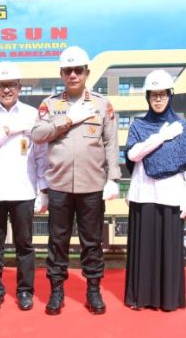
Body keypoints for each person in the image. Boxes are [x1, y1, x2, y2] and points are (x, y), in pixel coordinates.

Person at [32, 46, 121, 315]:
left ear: (87, 73)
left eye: (78, 70)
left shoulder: (102, 105)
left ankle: (93, 290)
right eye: (68, 70)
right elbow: (38, 133)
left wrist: (113, 178)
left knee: (91, 241)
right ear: (61, 73)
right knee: (57, 241)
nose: (73, 75)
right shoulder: (50, 104)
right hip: (59, 185)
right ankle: (56, 289)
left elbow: (110, 144)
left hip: (92, 185)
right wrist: (68, 120)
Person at [0, 61, 48, 312]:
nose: (6, 90)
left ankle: (25, 290)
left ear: (20, 87)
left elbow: (40, 155)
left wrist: (42, 189)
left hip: (23, 190)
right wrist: (6, 131)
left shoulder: (31, 114)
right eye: (1, 86)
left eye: (11, 85)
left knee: (25, 245)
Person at [124, 70, 186, 311]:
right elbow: (133, 154)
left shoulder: (181, 126)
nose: (158, 99)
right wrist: (160, 137)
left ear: (170, 96)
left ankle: (167, 299)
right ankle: (141, 298)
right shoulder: (139, 125)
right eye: (153, 95)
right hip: (143, 195)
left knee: (168, 252)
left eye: (163, 94)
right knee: (143, 251)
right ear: (147, 97)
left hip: (171, 197)